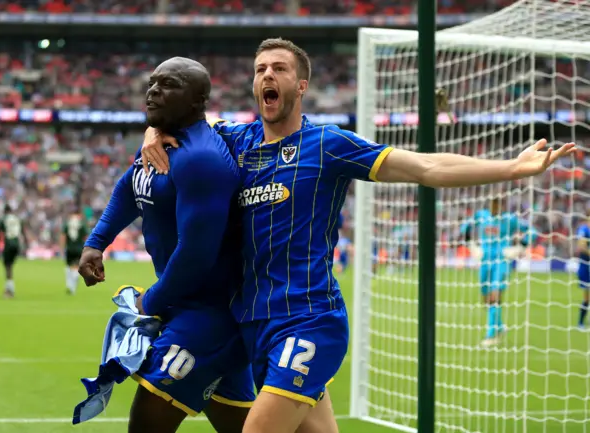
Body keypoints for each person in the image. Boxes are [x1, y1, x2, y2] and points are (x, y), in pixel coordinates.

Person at [139, 38, 576, 433]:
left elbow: (425, 167)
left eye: (279, 68)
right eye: (260, 70)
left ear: (301, 85)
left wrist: (512, 168)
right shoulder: (234, 142)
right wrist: (152, 132)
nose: (267, 75)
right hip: (254, 324)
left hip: (308, 320)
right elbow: (180, 121)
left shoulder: (328, 145)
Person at [78, 57, 254, 433]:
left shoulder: (201, 159)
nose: (153, 90)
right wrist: (97, 242)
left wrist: (151, 302)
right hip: (188, 306)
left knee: (145, 424)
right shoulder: (162, 143)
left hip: (209, 315)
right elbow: (131, 185)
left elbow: (196, 255)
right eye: (153, 82)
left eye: (168, 84)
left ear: (197, 101)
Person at [460, 197, 534, 346]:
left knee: (495, 296)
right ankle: (499, 326)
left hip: (501, 260)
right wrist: (470, 243)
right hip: (484, 260)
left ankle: (491, 335)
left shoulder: (510, 219)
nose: (495, 208)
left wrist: (520, 246)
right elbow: (465, 227)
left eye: (498, 205)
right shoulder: (482, 216)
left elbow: (532, 231)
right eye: (493, 204)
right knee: (486, 299)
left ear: (502, 205)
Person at [0, 204, 26, 298]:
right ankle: (8, 289)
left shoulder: (4, 219)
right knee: (10, 266)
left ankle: (10, 291)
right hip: (17, 244)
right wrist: (25, 246)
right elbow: (23, 232)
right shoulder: (17, 219)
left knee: (7, 266)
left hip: (9, 243)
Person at [60, 208, 88, 295]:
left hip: (69, 248)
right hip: (79, 248)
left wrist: (62, 248)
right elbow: (86, 237)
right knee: (76, 266)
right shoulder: (82, 224)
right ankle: (74, 281)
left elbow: (63, 237)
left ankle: (69, 285)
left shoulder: (67, 223)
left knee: (68, 266)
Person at [576, 213, 590, 329]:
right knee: (587, 296)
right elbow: (581, 246)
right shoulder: (583, 229)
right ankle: (580, 322)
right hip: (586, 266)